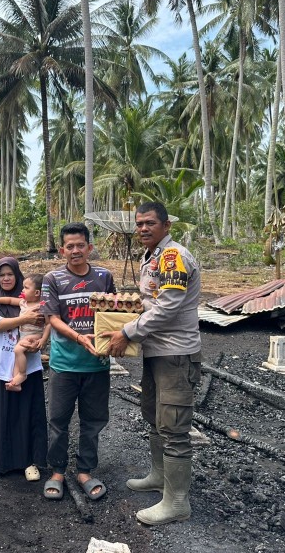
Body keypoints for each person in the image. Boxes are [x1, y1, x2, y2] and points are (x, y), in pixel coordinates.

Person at [102, 201, 201, 525]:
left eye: (150, 223)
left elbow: (167, 308)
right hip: (157, 352)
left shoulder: (172, 257)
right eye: (140, 223)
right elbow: (151, 303)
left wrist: (126, 332)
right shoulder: (151, 256)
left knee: (174, 427)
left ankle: (177, 502)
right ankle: (160, 478)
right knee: (155, 418)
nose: (143, 228)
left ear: (166, 225)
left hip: (176, 354)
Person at [41, 222, 116, 501]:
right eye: (69, 246)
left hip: (97, 363)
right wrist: (78, 337)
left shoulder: (104, 277)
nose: (75, 251)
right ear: (62, 250)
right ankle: (57, 471)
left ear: (89, 247)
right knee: (58, 420)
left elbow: (113, 313)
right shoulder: (53, 279)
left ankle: (85, 470)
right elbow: (53, 318)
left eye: (80, 245)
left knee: (93, 420)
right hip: (64, 363)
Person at [0, 257, 48, 480]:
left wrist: (41, 339)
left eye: (10, 274)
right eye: (2, 275)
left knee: (28, 412)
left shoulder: (30, 297)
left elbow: (44, 322)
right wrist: (24, 318)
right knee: (4, 412)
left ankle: (30, 462)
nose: (6, 278)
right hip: (2, 362)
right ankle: (2, 460)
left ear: (18, 276)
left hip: (29, 364)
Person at [0, 273, 50, 392]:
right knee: (17, 357)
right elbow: (10, 300)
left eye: (26, 288)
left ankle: (22, 374)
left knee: (18, 350)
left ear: (37, 293)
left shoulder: (41, 306)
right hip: (24, 335)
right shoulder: (23, 302)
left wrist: (43, 340)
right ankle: (16, 382)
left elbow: (49, 324)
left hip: (34, 335)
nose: (22, 290)